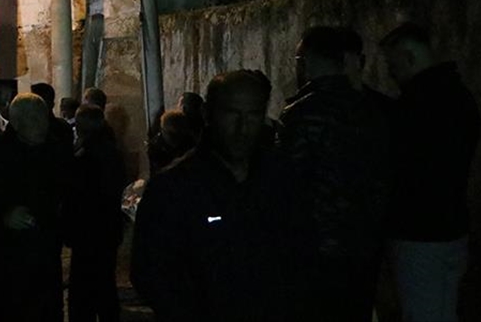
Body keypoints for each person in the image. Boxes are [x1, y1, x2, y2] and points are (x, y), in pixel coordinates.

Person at [131, 70, 287, 322]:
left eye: (252, 115)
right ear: (208, 115)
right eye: (231, 114)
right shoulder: (174, 188)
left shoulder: (281, 180)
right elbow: (151, 272)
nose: (242, 127)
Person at [278, 27, 390, 322]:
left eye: (300, 58)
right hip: (366, 242)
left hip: (318, 246)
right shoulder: (374, 108)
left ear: (307, 61)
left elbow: (289, 182)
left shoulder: (303, 113)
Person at [379, 23, 479, 322]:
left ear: (409, 58)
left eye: (393, 65)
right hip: (453, 229)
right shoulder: (461, 98)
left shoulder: (414, 107)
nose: (390, 74)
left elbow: (399, 170)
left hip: (418, 236)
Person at [0, 93, 71, 322]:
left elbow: (68, 195)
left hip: (44, 261)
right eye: (33, 118)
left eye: (43, 117)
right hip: (3, 263)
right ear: (15, 121)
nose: (41, 124)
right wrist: (2, 217)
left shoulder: (56, 151)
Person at [65, 104, 127, 322]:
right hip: (107, 227)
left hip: (89, 229)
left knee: (84, 287)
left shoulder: (88, 154)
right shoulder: (112, 150)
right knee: (104, 283)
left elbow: (78, 193)